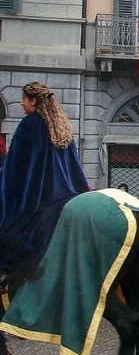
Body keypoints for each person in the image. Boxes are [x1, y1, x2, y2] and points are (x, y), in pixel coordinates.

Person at [0, 82, 90, 280]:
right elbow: (74, 166)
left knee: (9, 231)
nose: (21, 104)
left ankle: (9, 273)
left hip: (42, 202)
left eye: (23, 99)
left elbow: (14, 169)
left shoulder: (29, 124)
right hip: (67, 196)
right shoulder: (62, 126)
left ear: (33, 101)